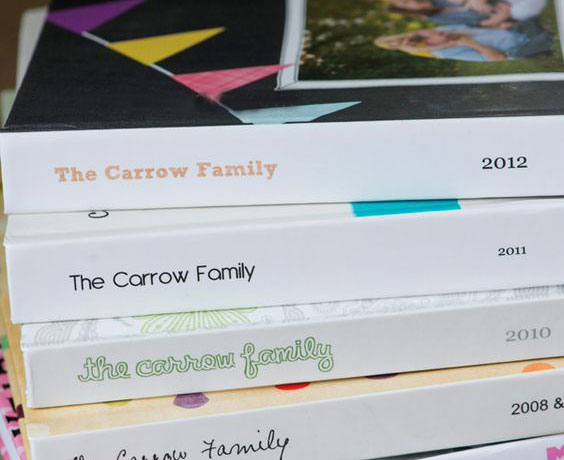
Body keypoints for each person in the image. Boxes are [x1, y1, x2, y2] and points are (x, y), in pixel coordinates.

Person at [374, 25, 532, 61]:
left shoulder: (438, 31)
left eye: (391, 39)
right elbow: (499, 57)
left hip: (517, 33)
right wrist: (463, 43)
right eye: (391, 43)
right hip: (520, 45)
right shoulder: (410, 48)